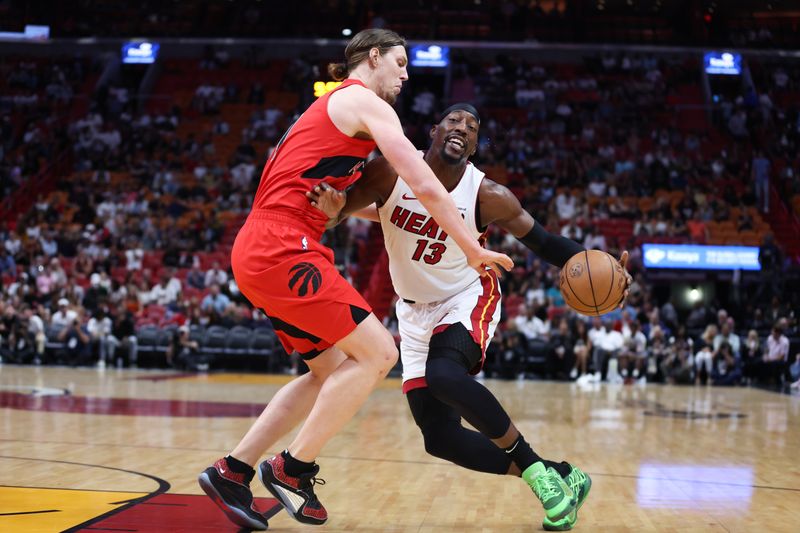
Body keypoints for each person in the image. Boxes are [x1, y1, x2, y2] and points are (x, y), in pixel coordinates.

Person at [198, 30, 512, 531]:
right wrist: (472, 247)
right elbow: (425, 184)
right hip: (284, 245)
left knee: (329, 369)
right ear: (374, 58)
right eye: (402, 63)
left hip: (265, 243)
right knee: (380, 353)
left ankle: (231, 471)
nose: (407, 75)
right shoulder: (365, 103)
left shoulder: (331, 109)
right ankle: (292, 469)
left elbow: (358, 198)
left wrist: (338, 207)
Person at [308, 104, 631, 530]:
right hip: (412, 311)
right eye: (454, 121)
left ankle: (538, 478)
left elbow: (545, 242)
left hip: (466, 295)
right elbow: (338, 213)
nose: (462, 128)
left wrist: (608, 266)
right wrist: (332, 209)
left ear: (476, 146)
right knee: (439, 440)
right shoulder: (388, 172)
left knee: (445, 376)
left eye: (473, 127)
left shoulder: (488, 195)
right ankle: (562, 474)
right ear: (434, 130)